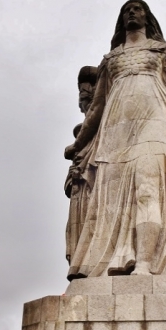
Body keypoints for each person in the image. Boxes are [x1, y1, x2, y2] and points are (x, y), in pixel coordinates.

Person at [64, 0, 166, 280]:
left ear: (147, 17)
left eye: (138, 8)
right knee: (112, 200)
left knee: (147, 190)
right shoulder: (110, 60)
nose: (132, 12)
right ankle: (109, 262)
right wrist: (79, 144)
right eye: (127, 9)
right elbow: (96, 107)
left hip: (156, 123)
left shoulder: (162, 51)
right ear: (121, 20)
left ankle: (144, 263)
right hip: (116, 130)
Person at [65, 66, 98, 264]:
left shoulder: (101, 132)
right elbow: (67, 187)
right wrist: (74, 176)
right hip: (79, 198)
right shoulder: (78, 155)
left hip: (95, 194)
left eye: (84, 100)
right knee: (78, 236)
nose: (81, 107)